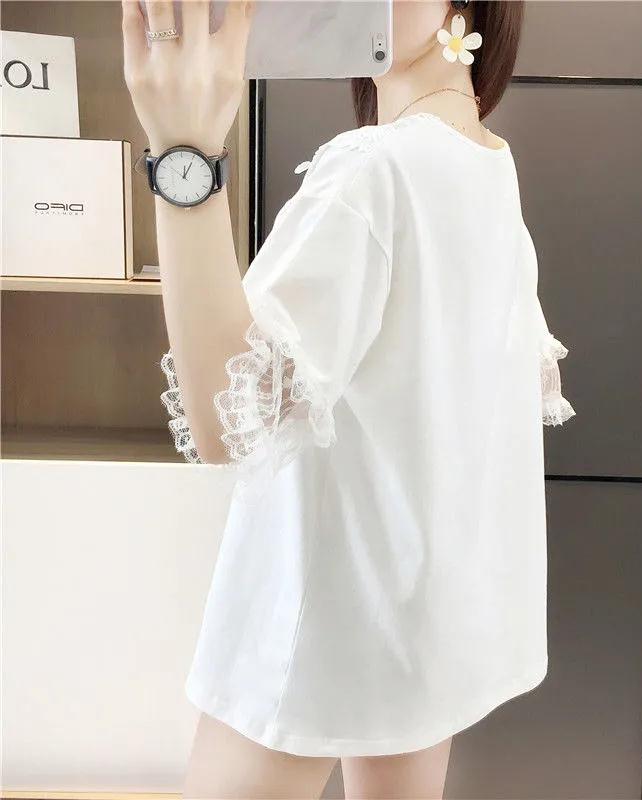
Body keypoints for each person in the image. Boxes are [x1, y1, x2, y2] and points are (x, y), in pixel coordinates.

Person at [121, 1, 576, 797]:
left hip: (316, 625)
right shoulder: (486, 163)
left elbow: (229, 413)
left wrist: (182, 152)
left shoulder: (376, 170)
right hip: (421, 624)